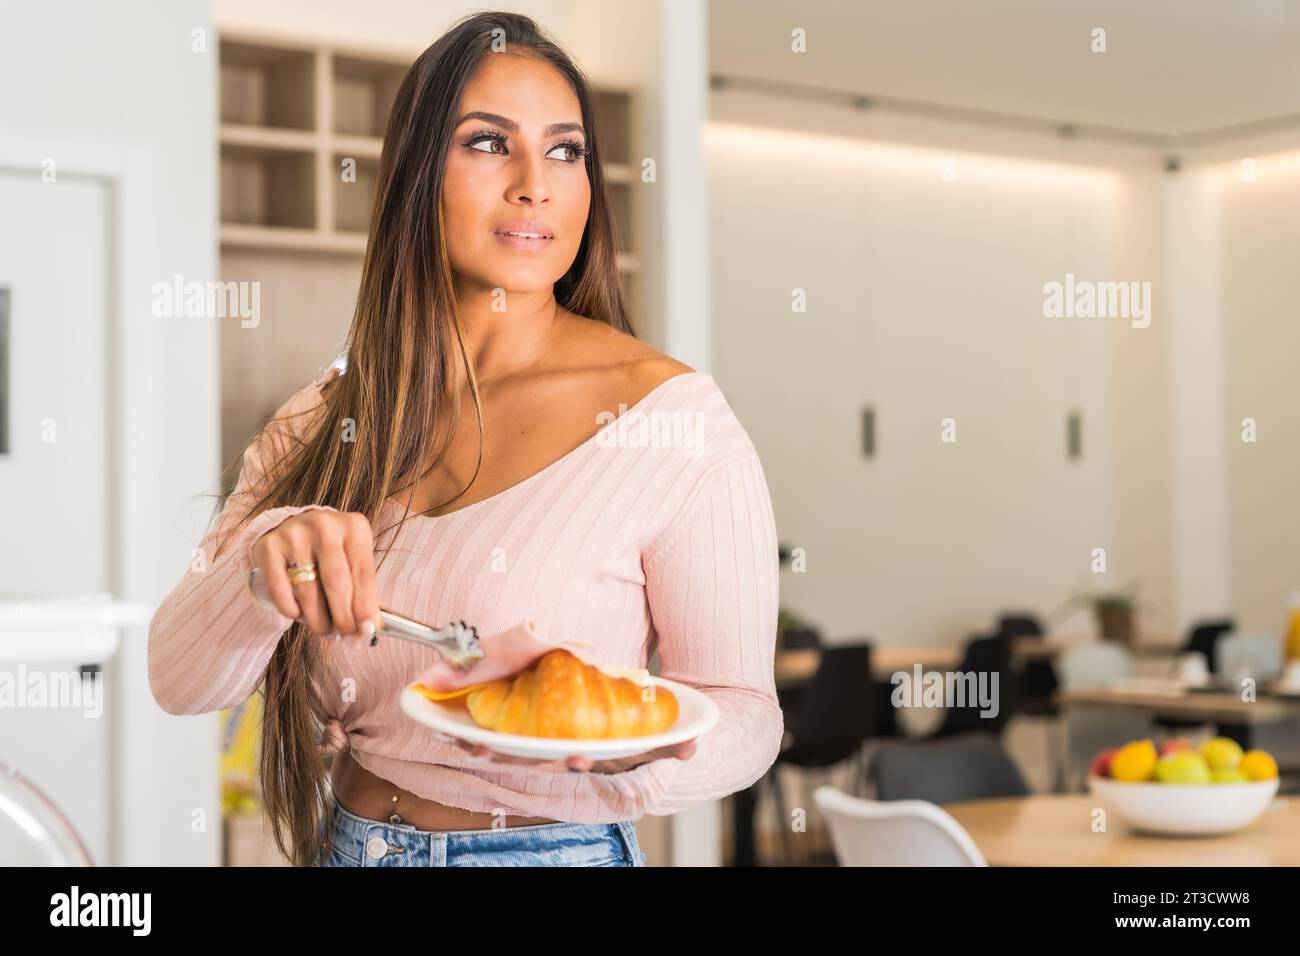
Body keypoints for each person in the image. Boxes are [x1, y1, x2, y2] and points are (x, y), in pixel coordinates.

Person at [148, 10, 782, 867]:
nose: (536, 184)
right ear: (415, 172)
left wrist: (642, 753)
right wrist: (266, 566)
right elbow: (179, 683)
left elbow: (745, 711)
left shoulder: (672, 423)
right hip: (350, 845)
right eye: (489, 143)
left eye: (566, 150)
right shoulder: (323, 417)